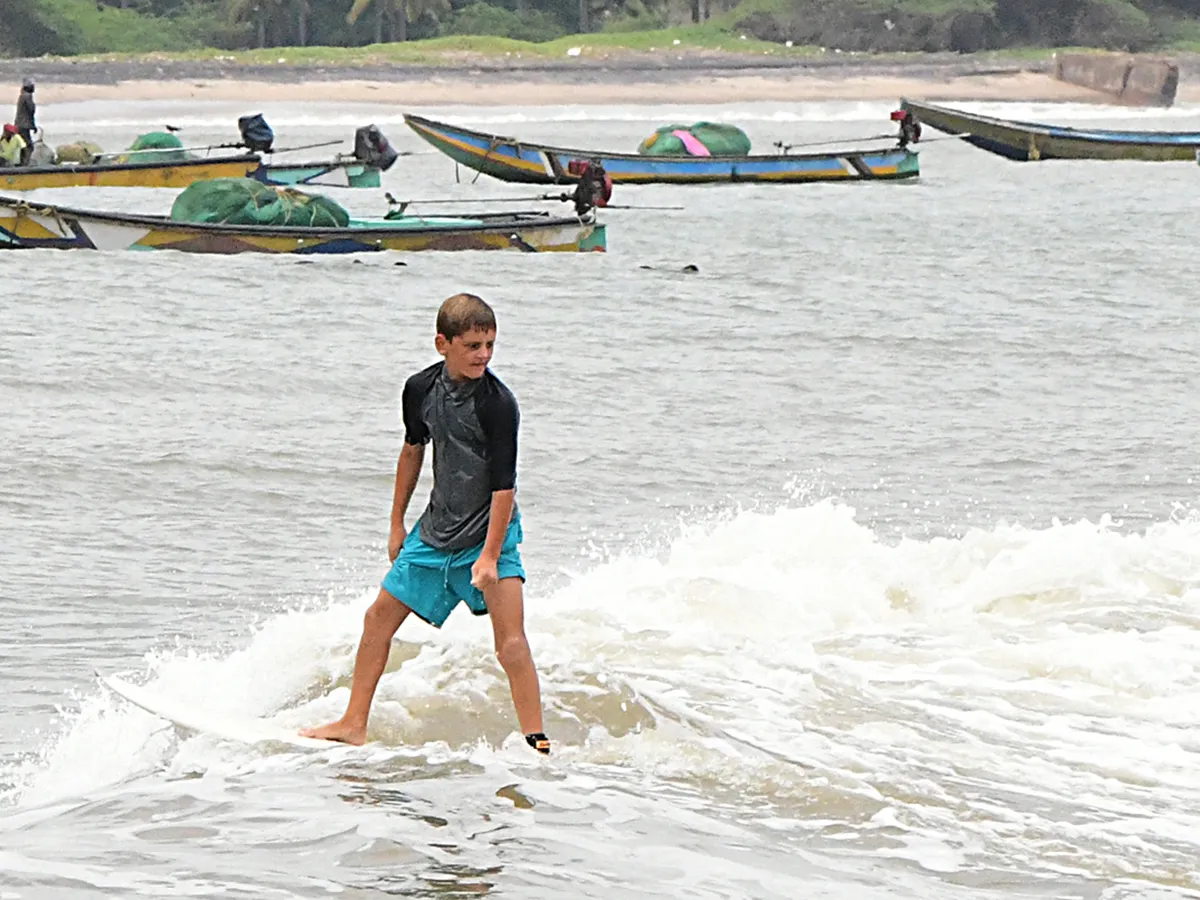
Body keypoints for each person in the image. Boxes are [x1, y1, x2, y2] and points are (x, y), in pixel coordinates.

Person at [302, 293, 550, 753]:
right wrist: (396, 524)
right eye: (473, 345)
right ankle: (354, 723)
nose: (484, 356)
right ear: (443, 343)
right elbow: (413, 449)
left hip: (489, 535)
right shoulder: (419, 389)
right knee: (377, 619)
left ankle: (538, 743)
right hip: (434, 534)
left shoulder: (498, 405)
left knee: (510, 643)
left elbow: (504, 486)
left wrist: (491, 555)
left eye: (490, 345)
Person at [15, 78, 35, 166]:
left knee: (22, 145)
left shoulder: (22, 96)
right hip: (24, 125)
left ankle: (21, 162)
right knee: (29, 146)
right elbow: (31, 111)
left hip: (18, 124)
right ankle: (25, 164)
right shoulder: (27, 96)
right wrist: (33, 125)